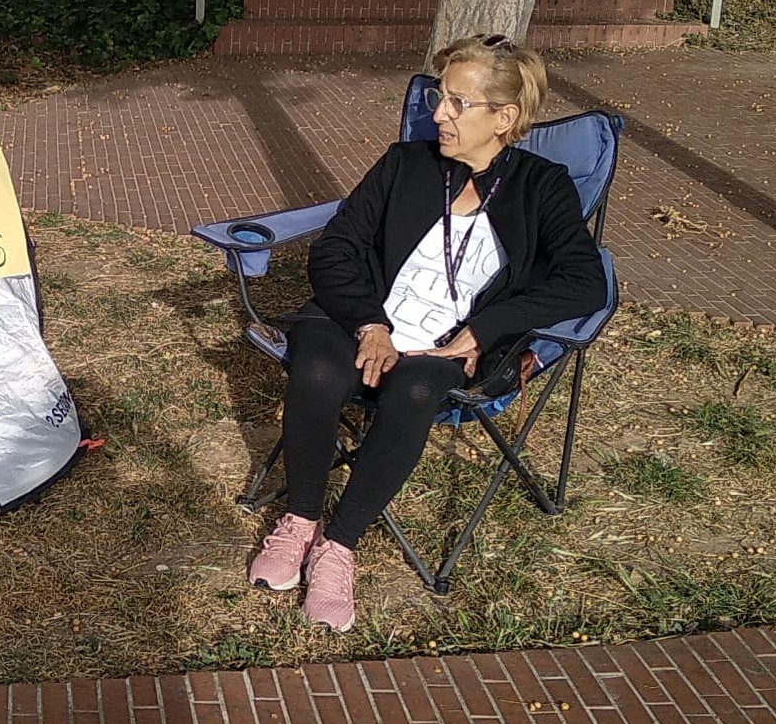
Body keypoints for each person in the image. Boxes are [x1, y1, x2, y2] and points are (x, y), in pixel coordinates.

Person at [246, 34, 607, 632]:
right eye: (440, 98)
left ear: (504, 118)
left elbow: (585, 283)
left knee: (415, 390)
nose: (439, 114)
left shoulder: (541, 187)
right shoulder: (405, 164)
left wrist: (487, 328)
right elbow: (336, 248)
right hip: (360, 318)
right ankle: (301, 520)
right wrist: (370, 324)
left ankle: (339, 546)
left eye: (458, 103)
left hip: (446, 347)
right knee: (317, 368)